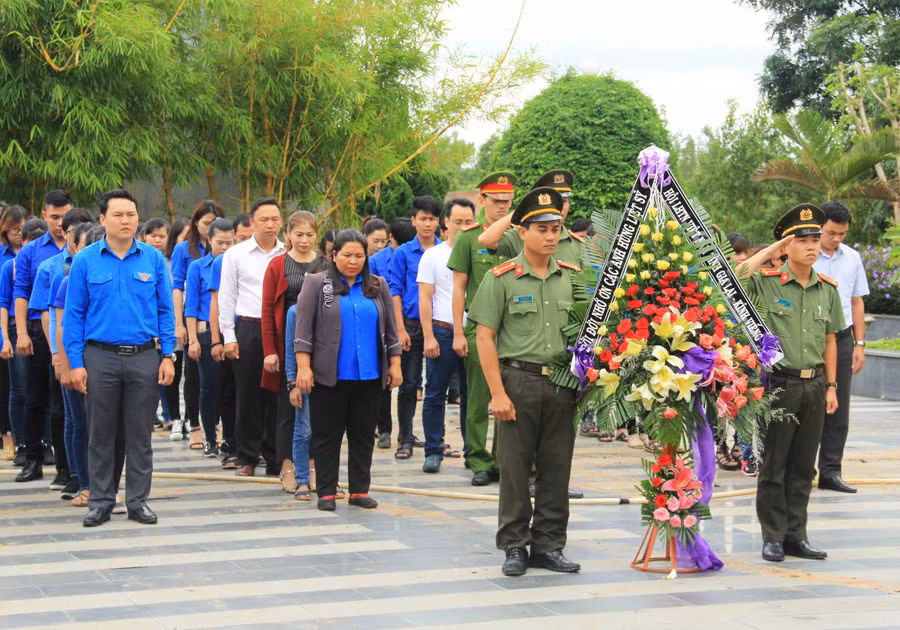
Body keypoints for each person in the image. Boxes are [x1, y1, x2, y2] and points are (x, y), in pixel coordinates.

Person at [468, 186, 583, 577]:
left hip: (563, 384)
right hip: (518, 380)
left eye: (556, 228)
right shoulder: (501, 278)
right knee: (515, 469)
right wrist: (497, 392)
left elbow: (586, 333)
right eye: (542, 229)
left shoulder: (572, 279)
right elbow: (484, 336)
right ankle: (515, 545)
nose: (551, 236)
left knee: (556, 468)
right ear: (522, 231)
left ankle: (549, 545)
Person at [63, 189, 176, 527]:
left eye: (131, 214)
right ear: (102, 220)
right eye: (118, 215)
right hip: (100, 357)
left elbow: (165, 311)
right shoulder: (85, 260)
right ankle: (100, 501)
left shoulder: (153, 259)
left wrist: (168, 355)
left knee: (140, 434)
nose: (126, 220)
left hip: (144, 356)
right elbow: (74, 315)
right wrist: (76, 362)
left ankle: (138, 501)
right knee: (100, 433)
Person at [738, 203, 843, 562]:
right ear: (787, 245)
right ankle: (773, 536)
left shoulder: (827, 288)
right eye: (803, 240)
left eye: (816, 239)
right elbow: (735, 277)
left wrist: (831, 387)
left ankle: (797, 535)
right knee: (775, 463)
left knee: (803, 465)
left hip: (814, 385)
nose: (813, 246)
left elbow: (830, 340)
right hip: (778, 384)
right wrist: (769, 252)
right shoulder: (767, 284)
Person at [294, 229, 402, 511]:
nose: (353, 261)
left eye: (359, 256)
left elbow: (391, 331)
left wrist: (395, 363)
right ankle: (327, 492)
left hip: (369, 376)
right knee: (327, 435)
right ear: (333, 255)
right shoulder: (319, 284)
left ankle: (359, 491)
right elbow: (303, 330)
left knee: (363, 434)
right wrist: (303, 368)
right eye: (347, 255)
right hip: (329, 376)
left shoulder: (377, 286)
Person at [447, 172, 516, 486]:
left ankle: (504, 458)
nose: (502, 206)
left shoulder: (520, 234)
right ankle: (478, 459)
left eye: (507, 201)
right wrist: (459, 332)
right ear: (482, 200)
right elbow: (459, 288)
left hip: (514, 329)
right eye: (496, 201)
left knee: (510, 394)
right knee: (476, 397)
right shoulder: (468, 238)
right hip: (479, 327)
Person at [218, 198, 285, 477]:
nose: (270, 224)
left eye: (275, 219)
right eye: (263, 220)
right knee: (247, 396)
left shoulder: (288, 252)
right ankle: (246, 456)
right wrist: (228, 336)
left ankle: (276, 458)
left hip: (282, 330)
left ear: (281, 222)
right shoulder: (236, 254)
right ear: (252, 222)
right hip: (248, 329)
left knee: (277, 397)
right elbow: (226, 297)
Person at [261, 211, 327, 493]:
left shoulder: (325, 264)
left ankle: (311, 463)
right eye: (298, 234)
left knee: (318, 408)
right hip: (285, 341)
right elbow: (266, 309)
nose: (304, 240)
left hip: (319, 344)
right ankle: (287, 464)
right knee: (288, 406)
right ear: (287, 234)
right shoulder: (277, 265)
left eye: (310, 235)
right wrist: (269, 351)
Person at [31, 207, 94, 497]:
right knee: (72, 418)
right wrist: (59, 356)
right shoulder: (59, 274)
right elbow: (53, 318)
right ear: (73, 242)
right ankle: (75, 475)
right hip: (69, 355)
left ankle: (94, 479)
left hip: (99, 356)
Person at [13, 190, 71, 484]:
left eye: (65, 217)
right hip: (37, 332)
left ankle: (66, 466)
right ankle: (32, 459)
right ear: (45, 215)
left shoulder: (83, 246)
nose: (60, 223)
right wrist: (21, 332)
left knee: (64, 402)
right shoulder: (31, 252)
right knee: (34, 398)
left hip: (69, 333)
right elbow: (20, 293)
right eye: (55, 217)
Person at [813, 200, 869, 494]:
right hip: (808, 339)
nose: (836, 239)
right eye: (831, 232)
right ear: (818, 227)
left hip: (843, 338)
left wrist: (859, 343)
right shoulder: (805, 254)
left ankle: (831, 472)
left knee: (839, 407)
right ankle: (801, 468)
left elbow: (857, 300)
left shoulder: (852, 258)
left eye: (842, 234)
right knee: (807, 402)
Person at [418, 198, 475, 473]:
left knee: (472, 395)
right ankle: (433, 449)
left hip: (475, 334)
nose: (463, 227)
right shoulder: (433, 256)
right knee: (435, 394)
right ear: (447, 223)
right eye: (458, 222)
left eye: (469, 222)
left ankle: (472, 452)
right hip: (442, 332)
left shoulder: (481, 252)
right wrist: (428, 336)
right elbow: (425, 298)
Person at [53, 222, 105, 506]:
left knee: (102, 426)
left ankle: (103, 483)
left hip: (105, 358)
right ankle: (84, 482)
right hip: (76, 359)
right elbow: (62, 325)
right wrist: (62, 362)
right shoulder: (68, 280)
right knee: (80, 423)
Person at [388, 196, 442, 460]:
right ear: (413, 220)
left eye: (432, 219)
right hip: (409, 325)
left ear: (439, 222)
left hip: (438, 324)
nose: (427, 224)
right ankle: (405, 438)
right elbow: (395, 291)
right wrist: (399, 329)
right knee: (409, 384)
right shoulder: (402, 253)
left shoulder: (446, 251)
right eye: (423, 218)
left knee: (436, 385)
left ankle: (437, 440)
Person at [171, 201, 226, 444]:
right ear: (196, 222)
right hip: (194, 319)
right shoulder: (184, 249)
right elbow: (177, 288)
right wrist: (179, 323)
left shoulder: (228, 252)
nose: (209, 227)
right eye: (206, 223)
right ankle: (194, 425)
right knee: (193, 376)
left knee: (220, 382)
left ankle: (215, 426)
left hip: (222, 323)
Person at [185, 218, 236, 457]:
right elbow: (191, 305)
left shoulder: (236, 264)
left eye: (229, 242)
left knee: (231, 388)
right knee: (209, 387)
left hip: (233, 333)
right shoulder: (197, 267)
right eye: (220, 242)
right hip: (207, 333)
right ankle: (209, 437)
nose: (225, 248)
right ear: (209, 241)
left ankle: (230, 438)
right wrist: (193, 339)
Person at [369, 217, 416, 449]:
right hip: (382, 325)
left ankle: (407, 433)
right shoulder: (376, 261)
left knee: (410, 381)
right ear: (392, 240)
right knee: (384, 378)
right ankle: (384, 428)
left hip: (409, 322)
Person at [478, 169, 584, 267]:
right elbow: (486, 240)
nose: (560, 208)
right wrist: (523, 208)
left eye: (564, 201)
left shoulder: (577, 244)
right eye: (551, 203)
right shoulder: (523, 235)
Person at [0, 206, 27, 462]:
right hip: (5, 325)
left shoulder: (30, 254)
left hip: (24, 328)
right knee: (6, 388)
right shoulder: (2, 257)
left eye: (22, 230)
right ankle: (8, 437)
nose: (18, 235)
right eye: (14, 230)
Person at [161, 217, 189, 430]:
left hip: (194, 319)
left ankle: (190, 417)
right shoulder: (163, 262)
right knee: (173, 367)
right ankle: (173, 417)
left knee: (193, 374)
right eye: (184, 237)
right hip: (171, 321)